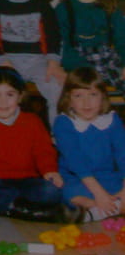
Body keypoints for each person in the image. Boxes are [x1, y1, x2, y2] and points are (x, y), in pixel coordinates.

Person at [0, 67, 66, 223]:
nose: (3, 101)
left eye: (10, 94)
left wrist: (50, 171)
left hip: (26, 181)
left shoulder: (32, 121)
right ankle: (25, 211)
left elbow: (44, 151)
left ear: (20, 96)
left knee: (53, 191)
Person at [52, 67, 125, 223]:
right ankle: (95, 208)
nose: (87, 103)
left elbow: (122, 153)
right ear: (68, 99)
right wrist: (99, 194)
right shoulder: (64, 122)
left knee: (119, 192)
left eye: (93, 95)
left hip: (108, 176)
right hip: (78, 178)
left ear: (103, 97)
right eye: (78, 96)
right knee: (70, 193)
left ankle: (100, 211)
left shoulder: (111, 120)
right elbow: (75, 161)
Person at [55, 0, 125, 95]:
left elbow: (122, 39)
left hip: (107, 57)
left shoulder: (110, 7)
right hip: (76, 60)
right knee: (85, 91)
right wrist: (87, 70)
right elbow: (63, 47)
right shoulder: (62, 9)